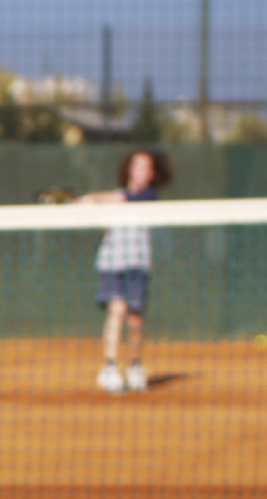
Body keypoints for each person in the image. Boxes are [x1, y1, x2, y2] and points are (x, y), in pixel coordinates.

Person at [78, 148, 173, 394]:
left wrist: (91, 197)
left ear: (152, 174)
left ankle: (135, 366)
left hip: (138, 263)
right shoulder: (114, 200)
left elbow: (122, 199)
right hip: (112, 263)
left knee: (135, 320)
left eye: (147, 167)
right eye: (138, 165)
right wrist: (91, 207)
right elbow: (106, 223)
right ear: (129, 169)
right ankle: (109, 367)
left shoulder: (149, 196)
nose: (142, 171)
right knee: (117, 309)